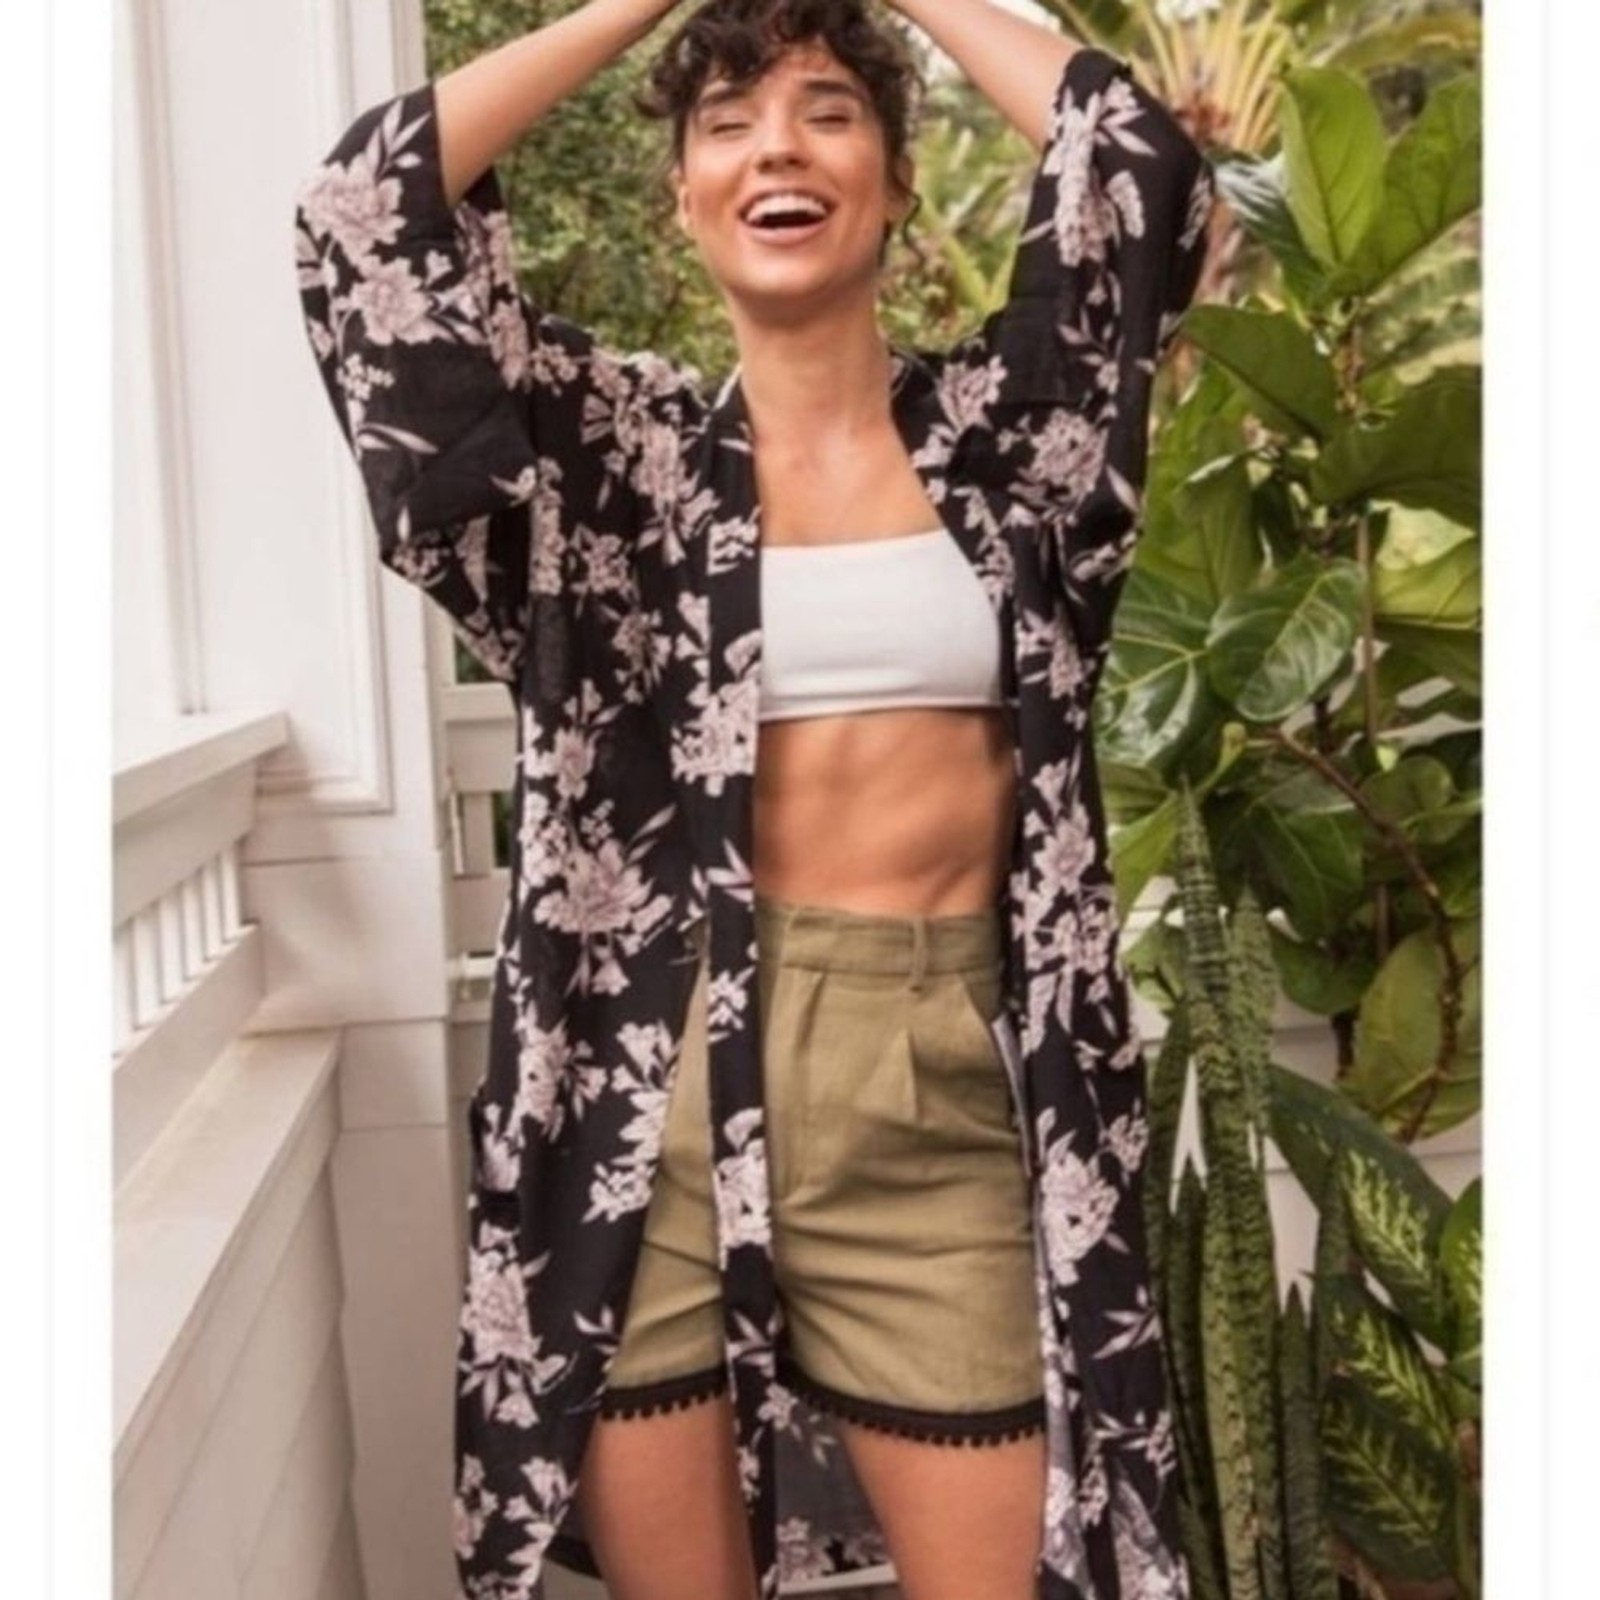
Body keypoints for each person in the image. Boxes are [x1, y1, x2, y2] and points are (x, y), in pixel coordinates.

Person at [292, 1, 1216, 1597]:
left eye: (828, 112)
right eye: (726, 123)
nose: (776, 147)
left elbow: (1138, 170)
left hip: (935, 1087)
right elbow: (362, 215)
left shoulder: (1014, 446)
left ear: (898, 181)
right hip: (647, 1088)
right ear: (683, 196)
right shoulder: (611, 467)